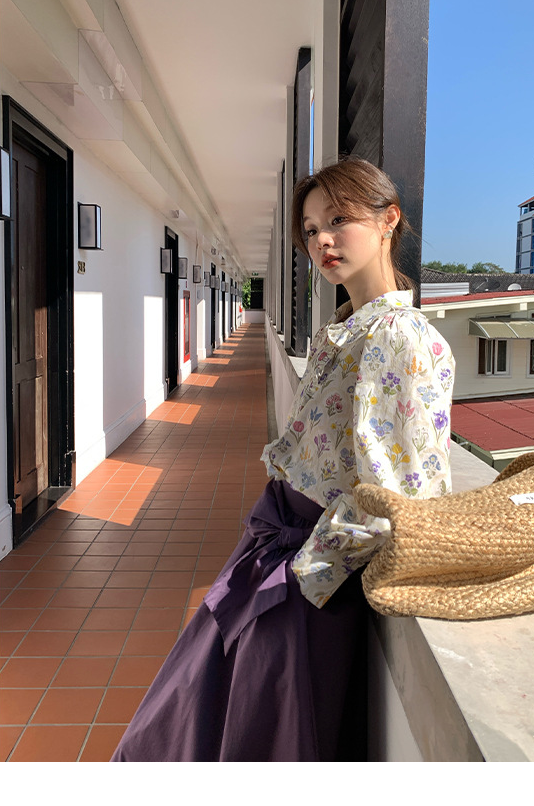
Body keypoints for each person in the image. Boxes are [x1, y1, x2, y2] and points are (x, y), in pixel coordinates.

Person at [110, 157, 455, 762]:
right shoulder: (346, 327)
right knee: (214, 706)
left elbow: (403, 492)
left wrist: (306, 575)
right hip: (280, 546)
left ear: (388, 220)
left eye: (339, 220)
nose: (322, 240)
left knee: (269, 729)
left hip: (316, 573)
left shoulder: (400, 336)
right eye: (311, 229)